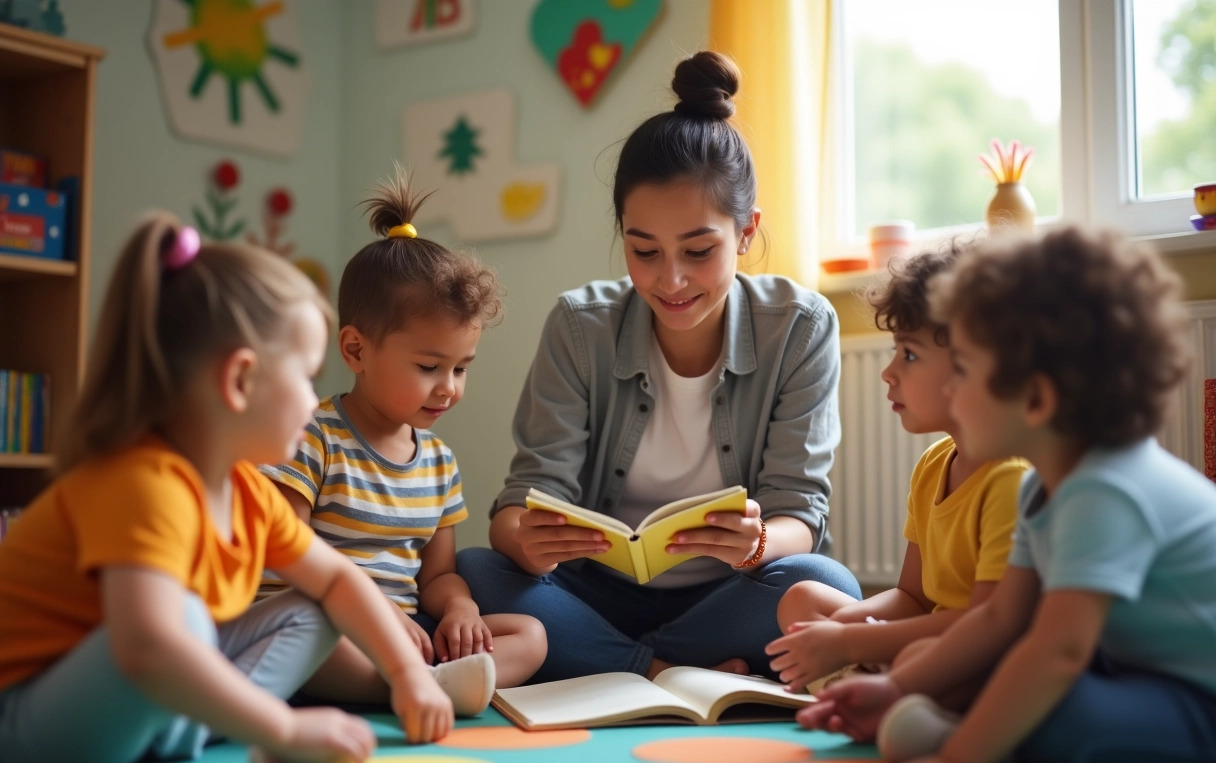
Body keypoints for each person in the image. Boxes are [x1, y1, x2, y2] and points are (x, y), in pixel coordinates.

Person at [0, 215, 458, 763]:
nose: (315, 398)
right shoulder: (142, 481)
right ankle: (239, 727)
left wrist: (406, 675)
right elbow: (145, 646)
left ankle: (206, 726)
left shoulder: (245, 490)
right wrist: (284, 731)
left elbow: (339, 581)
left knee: (316, 605)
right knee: (182, 621)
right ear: (241, 381)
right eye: (306, 375)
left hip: (135, 699)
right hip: (28, 721)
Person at [456, 51, 861, 684]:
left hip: (726, 598)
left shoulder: (802, 326)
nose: (670, 280)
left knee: (824, 581)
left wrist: (757, 544)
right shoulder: (579, 325)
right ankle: (659, 667)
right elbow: (523, 502)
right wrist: (522, 540)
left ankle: (605, 659)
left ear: (747, 232)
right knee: (476, 573)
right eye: (643, 250)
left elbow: (798, 516)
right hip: (597, 594)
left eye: (699, 251)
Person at [799, 225, 1216, 763]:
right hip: (1140, 677)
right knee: (997, 670)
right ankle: (986, 734)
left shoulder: (1105, 490)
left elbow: (1058, 649)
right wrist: (895, 687)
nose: (954, 390)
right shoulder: (1043, 489)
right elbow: (997, 620)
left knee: (1052, 706)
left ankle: (987, 743)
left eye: (964, 370)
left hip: (1200, 702)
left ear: (1037, 400)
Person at [261, 172, 546, 714]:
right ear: (356, 350)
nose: (449, 387)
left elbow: (436, 575)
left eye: (462, 368)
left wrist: (459, 610)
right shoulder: (314, 437)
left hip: (407, 629)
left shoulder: (438, 462)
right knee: (319, 641)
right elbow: (288, 549)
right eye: (428, 366)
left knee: (531, 634)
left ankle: (425, 682)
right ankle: (417, 687)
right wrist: (373, 612)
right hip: (327, 620)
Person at [766, 245, 1028, 694]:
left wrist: (852, 639)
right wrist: (843, 628)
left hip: (984, 656)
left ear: (978, 366)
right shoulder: (933, 465)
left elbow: (988, 625)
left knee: (913, 655)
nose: (888, 372)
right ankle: (868, 687)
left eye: (908, 355)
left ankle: (874, 689)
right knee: (801, 600)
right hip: (931, 637)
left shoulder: (1011, 477)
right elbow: (914, 598)